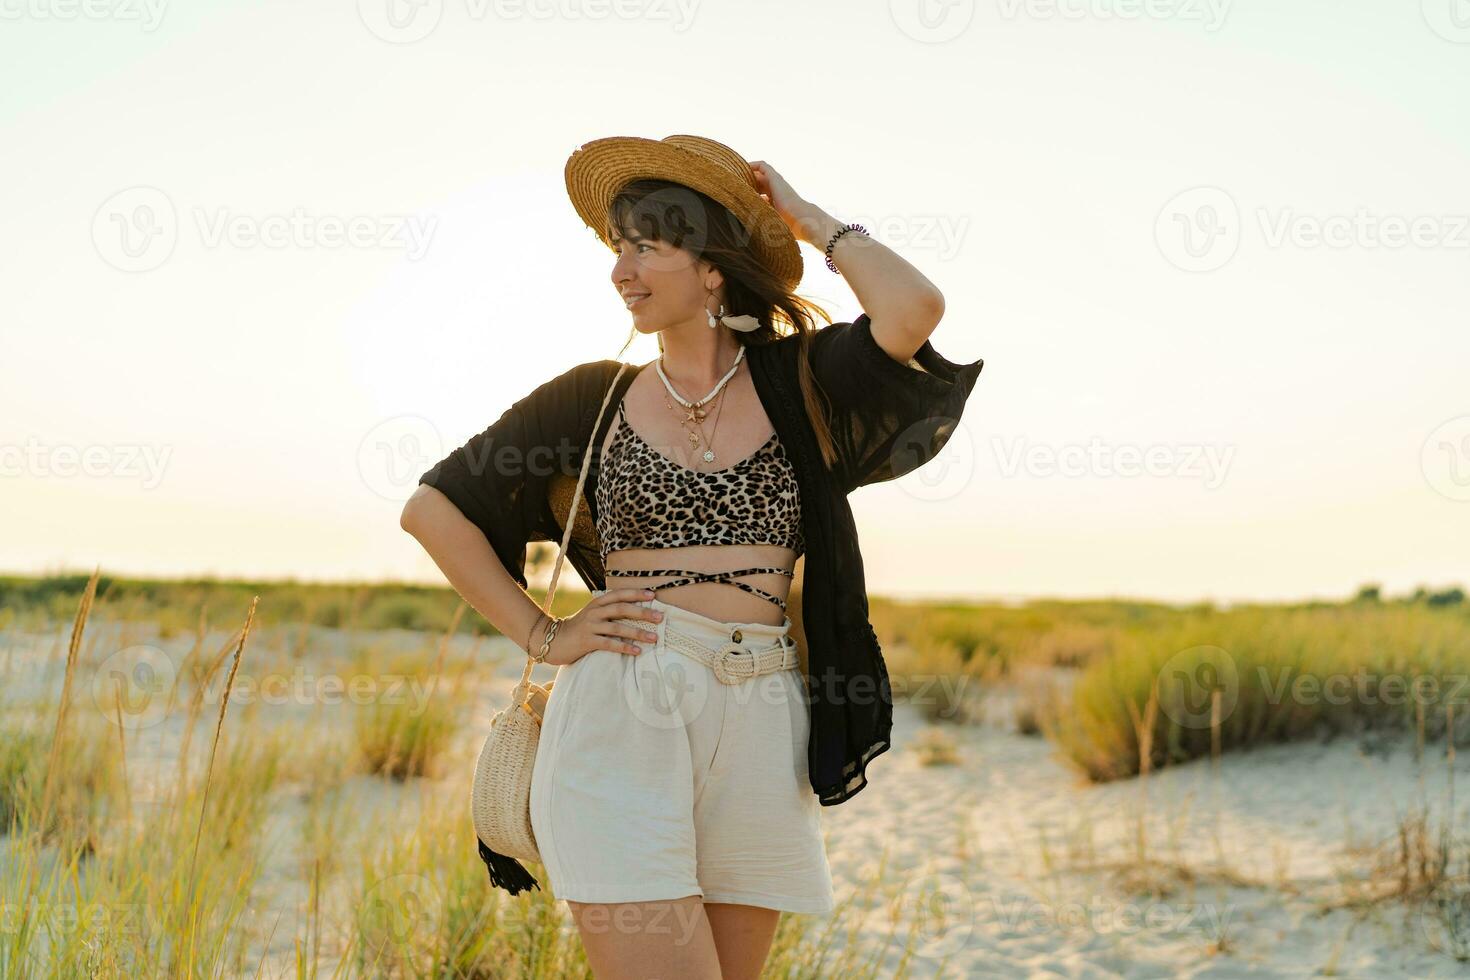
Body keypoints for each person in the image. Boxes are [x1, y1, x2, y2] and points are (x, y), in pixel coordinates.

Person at [402, 135, 983, 980]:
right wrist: (544, 635)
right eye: (617, 248)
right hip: (622, 709)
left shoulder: (803, 381)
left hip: (760, 716)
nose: (621, 271)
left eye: (646, 246)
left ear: (713, 268)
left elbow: (913, 311)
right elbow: (432, 509)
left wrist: (811, 222)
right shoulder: (589, 397)